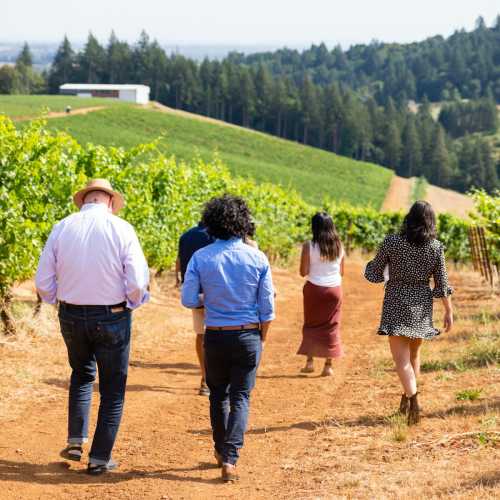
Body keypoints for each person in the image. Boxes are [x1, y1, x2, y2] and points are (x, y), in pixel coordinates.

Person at [35, 178, 150, 475]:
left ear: (85, 199)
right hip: (111, 314)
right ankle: (99, 458)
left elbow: (42, 280)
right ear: (110, 202)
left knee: (82, 374)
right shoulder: (122, 228)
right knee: (112, 388)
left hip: (71, 315)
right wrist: (132, 303)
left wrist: (54, 300)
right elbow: (137, 281)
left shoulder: (63, 226)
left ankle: (75, 440)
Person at [181, 195, 275, 482]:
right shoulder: (257, 257)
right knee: (241, 397)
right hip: (248, 334)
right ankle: (231, 458)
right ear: (243, 223)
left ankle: (221, 450)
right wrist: (261, 339)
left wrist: (211, 296)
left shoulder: (201, 257)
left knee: (217, 396)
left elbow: (187, 300)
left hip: (215, 335)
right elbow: (268, 309)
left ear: (211, 224)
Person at [364, 201, 453, 425]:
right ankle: (406, 401)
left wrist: (369, 266)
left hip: (396, 302)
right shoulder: (436, 247)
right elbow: (442, 285)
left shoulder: (392, 242)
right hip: (422, 305)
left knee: (401, 360)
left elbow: (374, 273)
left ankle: (413, 401)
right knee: (413, 356)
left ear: (409, 218)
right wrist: (448, 311)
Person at [297, 212, 345, 376]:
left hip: (314, 289)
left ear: (314, 227)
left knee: (311, 323)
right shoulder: (339, 246)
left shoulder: (308, 246)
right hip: (334, 290)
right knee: (332, 325)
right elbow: (342, 272)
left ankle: (309, 362)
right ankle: (328, 366)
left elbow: (303, 272)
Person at [175, 222, 215, 396]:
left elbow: (179, 260)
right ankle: (216, 378)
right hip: (216, 293)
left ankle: (205, 379)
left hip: (194, 292)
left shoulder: (186, 235)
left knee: (201, 334)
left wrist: (178, 280)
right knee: (219, 333)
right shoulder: (218, 236)